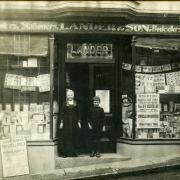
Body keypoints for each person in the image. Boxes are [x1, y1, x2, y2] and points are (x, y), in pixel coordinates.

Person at [59, 89, 81, 157]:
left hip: (74, 122)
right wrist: (61, 122)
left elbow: (79, 113)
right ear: (67, 96)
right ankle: (65, 153)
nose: (70, 96)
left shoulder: (76, 103)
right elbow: (62, 113)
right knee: (66, 137)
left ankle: (73, 152)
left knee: (74, 136)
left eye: (71, 95)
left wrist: (79, 122)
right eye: (69, 95)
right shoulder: (64, 103)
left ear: (73, 96)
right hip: (66, 122)